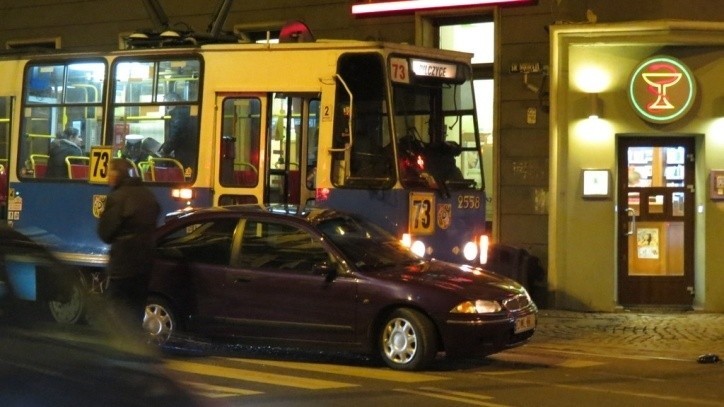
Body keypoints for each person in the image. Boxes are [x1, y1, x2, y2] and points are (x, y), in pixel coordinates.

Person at [97, 158, 160, 331]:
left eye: (111, 172)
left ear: (119, 174)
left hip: (122, 265)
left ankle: (118, 346)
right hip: (144, 264)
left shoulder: (117, 198)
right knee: (136, 310)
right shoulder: (148, 195)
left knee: (115, 310)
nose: (108, 177)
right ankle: (135, 344)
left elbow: (105, 234)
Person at [158, 92, 196, 170]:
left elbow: (176, 133)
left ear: (174, 100)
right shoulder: (187, 109)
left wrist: (165, 149)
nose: (167, 109)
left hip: (185, 152)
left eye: (167, 106)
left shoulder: (178, 113)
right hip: (192, 149)